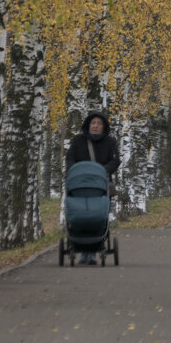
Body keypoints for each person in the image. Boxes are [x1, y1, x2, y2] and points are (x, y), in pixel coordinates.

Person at [66, 110, 121, 264]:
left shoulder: (110, 142)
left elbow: (115, 161)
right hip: (79, 185)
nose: (95, 126)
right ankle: (83, 250)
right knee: (80, 215)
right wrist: (74, 172)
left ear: (104, 127)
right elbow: (70, 159)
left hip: (100, 186)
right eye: (93, 123)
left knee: (97, 216)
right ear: (88, 125)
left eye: (99, 124)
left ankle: (93, 250)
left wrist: (101, 171)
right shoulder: (78, 140)